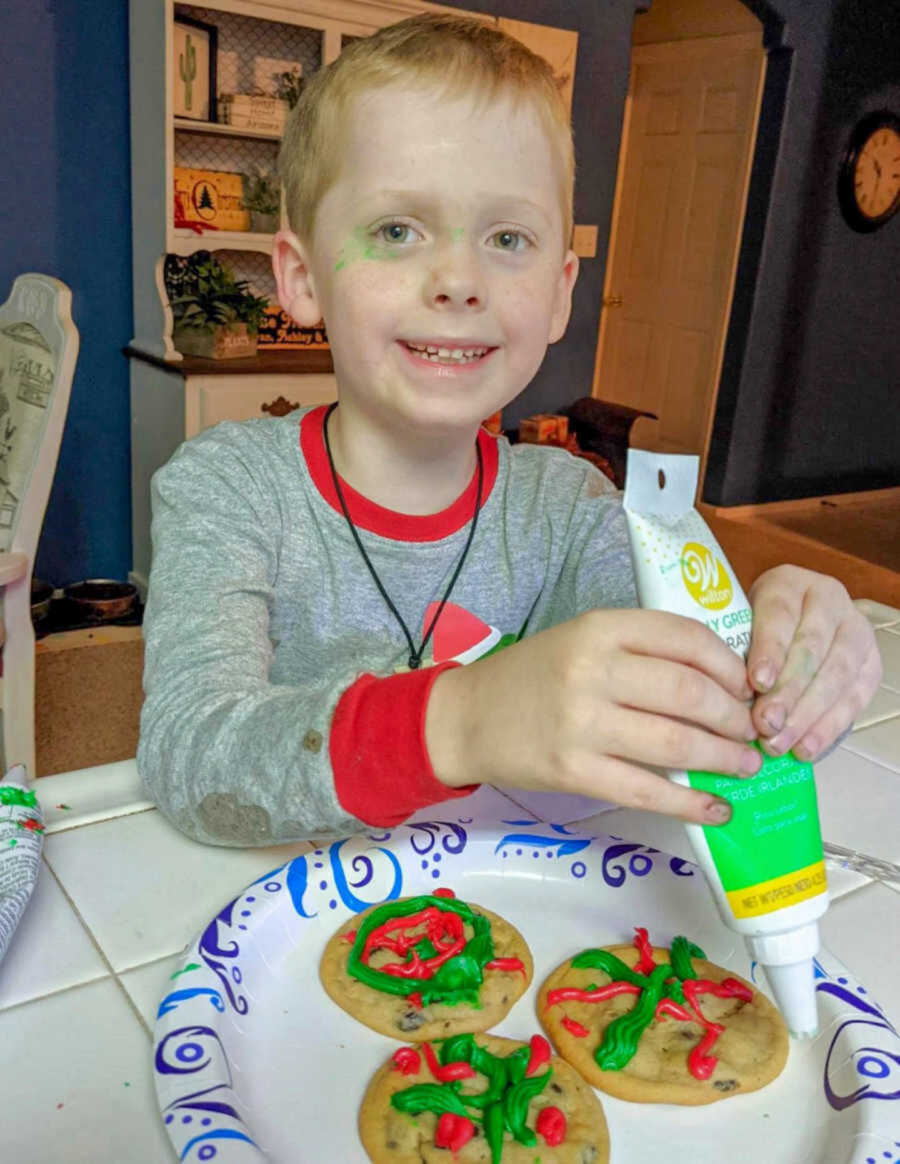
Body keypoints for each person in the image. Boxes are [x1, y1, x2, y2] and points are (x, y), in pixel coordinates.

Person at [138, 14, 881, 847]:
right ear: (303, 279)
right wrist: (461, 720)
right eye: (396, 230)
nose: (459, 280)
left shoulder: (571, 508)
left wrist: (782, 667)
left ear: (561, 291)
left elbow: (694, 722)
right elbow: (191, 758)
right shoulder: (227, 487)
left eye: (507, 238)